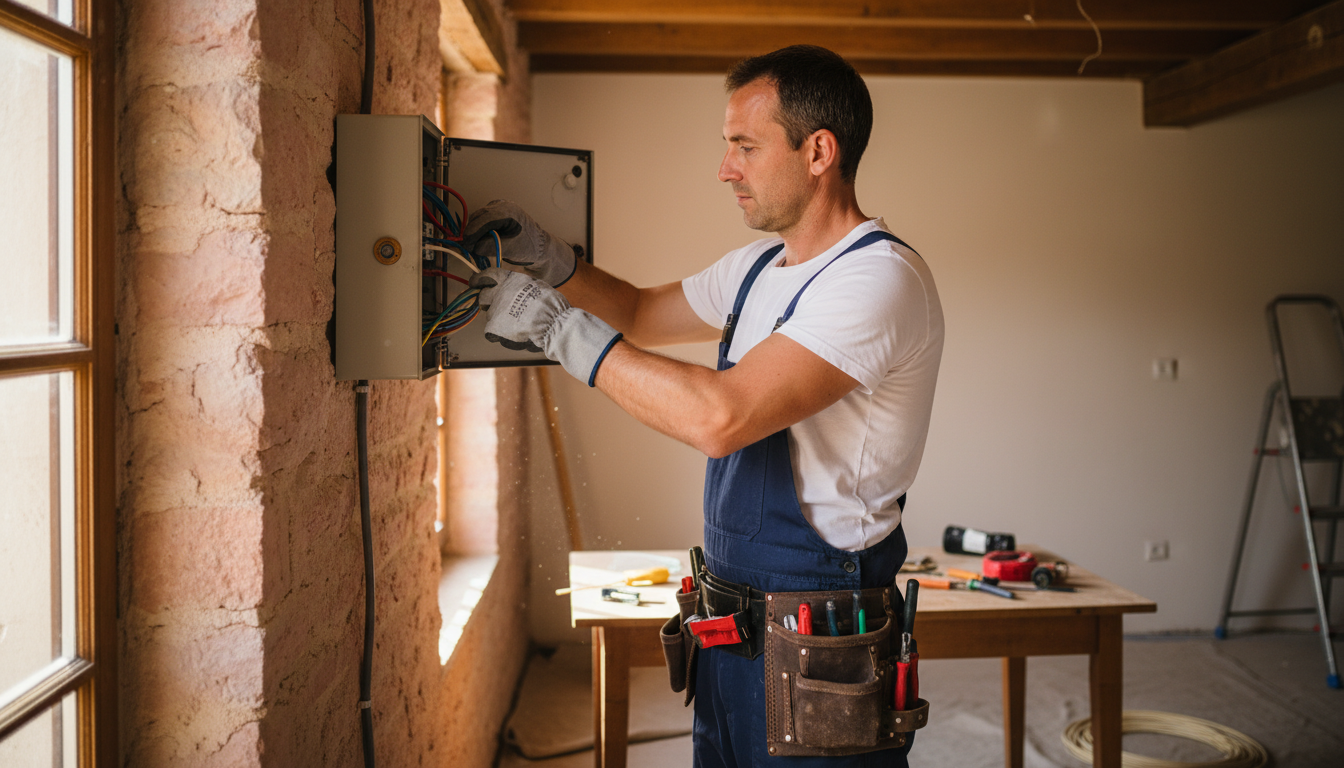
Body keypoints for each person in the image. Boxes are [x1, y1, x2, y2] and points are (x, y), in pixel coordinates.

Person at [462, 45, 943, 768]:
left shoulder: (877, 279)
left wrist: (558, 330)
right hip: (728, 625)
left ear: (818, 152)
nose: (725, 169)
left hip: (821, 635)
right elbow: (637, 311)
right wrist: (551, 261)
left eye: (745, 146)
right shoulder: (757, 268)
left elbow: (722, 418)